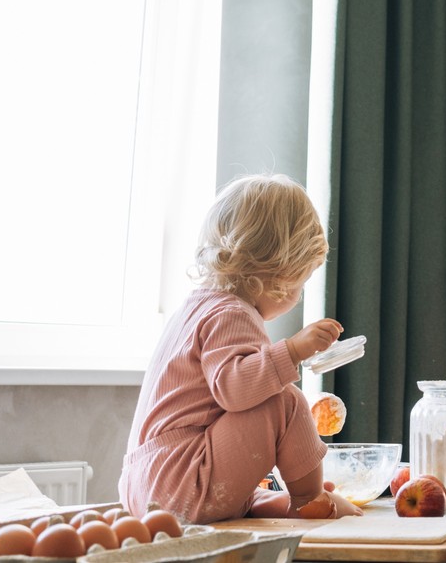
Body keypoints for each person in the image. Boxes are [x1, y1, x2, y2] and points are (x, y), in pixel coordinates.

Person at [119, 174, 363, 524]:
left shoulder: (194, 308)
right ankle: (309, 500)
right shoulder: (232, 312)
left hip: (146, 482)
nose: (298, 296)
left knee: (253, 438)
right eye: (301, 283)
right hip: (182, 481)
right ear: (282, 274)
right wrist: (294, 350)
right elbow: (234, 390)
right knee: (284, 400)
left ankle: (272, 501)